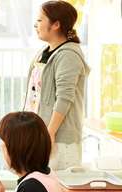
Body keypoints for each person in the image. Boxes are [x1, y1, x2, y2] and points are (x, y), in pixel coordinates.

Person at [23, 0, 89, 170]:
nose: (35, 25)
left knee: (57, 190)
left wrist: (49, 134)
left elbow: (64, 98)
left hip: (58, 140)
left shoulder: (68, 55)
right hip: (40, 135)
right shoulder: (44, 52)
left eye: (40, 20)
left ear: (56, 24)